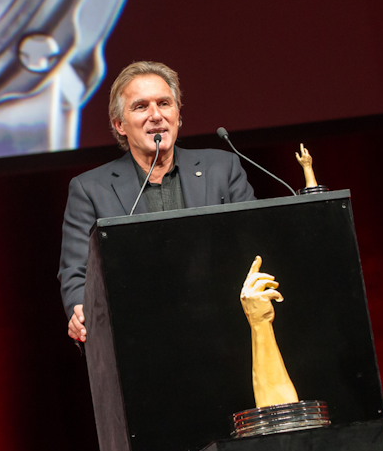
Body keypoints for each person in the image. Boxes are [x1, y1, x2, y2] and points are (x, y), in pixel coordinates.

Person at [59, 61, 256, 343]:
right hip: (139, 339)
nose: (156, 115)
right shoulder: (90, 188)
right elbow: (77, 270)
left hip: (226, 331)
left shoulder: (222, 168)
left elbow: (253, 245)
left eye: (164, 103)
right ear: (120, 125)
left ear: (177, 114)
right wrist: (80, 309)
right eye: (141, 107)